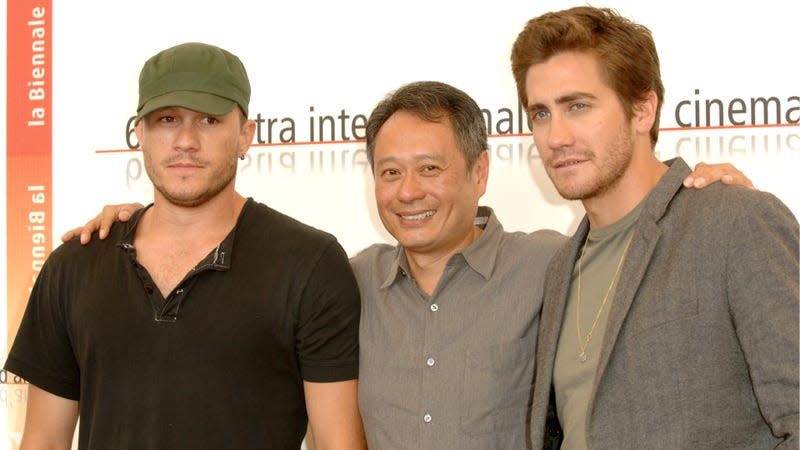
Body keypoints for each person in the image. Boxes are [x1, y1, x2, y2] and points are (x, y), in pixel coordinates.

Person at [61, 78, 754, 448]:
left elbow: (640, 253)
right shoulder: (341, 278)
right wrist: (136, 217)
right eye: (390, 172)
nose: (409, 192)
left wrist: (693, 192)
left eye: (430, 168)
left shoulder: (552, 264)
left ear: (480, 172)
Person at [4, 42, 366, 450]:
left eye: (210, 120)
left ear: (246, 135)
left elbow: (340, 444)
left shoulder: (310, 265)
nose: (186, 140)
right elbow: (44, 442)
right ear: (139, 134)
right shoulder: (74, 266)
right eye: (167, 119)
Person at [510, 6, 799, 448]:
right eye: (541, 114)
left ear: (643, 110)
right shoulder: (560, 269)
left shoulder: (734, 222)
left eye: (578, 106)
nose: (556, 137)